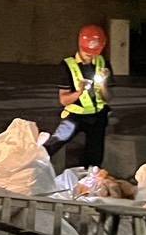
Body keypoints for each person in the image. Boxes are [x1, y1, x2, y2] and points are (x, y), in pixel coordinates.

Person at [44, 24, 111, 169]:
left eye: (94, 52)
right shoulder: (67, 66)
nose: (91, 55)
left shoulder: (102, 63)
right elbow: (63, 100)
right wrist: (79, 92)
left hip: (98, 116)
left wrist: (104, 84)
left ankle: (88, 182)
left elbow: (107, 98)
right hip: (74, 116)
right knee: (54, 144)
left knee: (95, 157)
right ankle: (31, 167)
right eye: (87, 51)